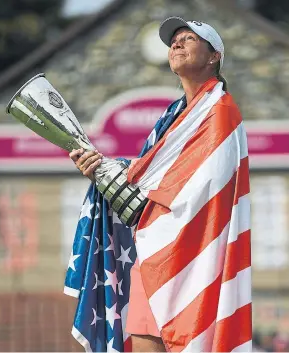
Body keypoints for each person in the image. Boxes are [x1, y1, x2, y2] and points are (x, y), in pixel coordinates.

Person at [70, 17, 251, 353]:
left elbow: (190, 182)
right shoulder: (172, 116)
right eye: (174, 41)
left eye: (188, 39)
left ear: (214, 57)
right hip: (154, 251)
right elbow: (146, 176)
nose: (176, 44)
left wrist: (117, 173)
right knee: (143, 342)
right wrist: (101, 170)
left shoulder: (221, 111)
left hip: (196, 257)